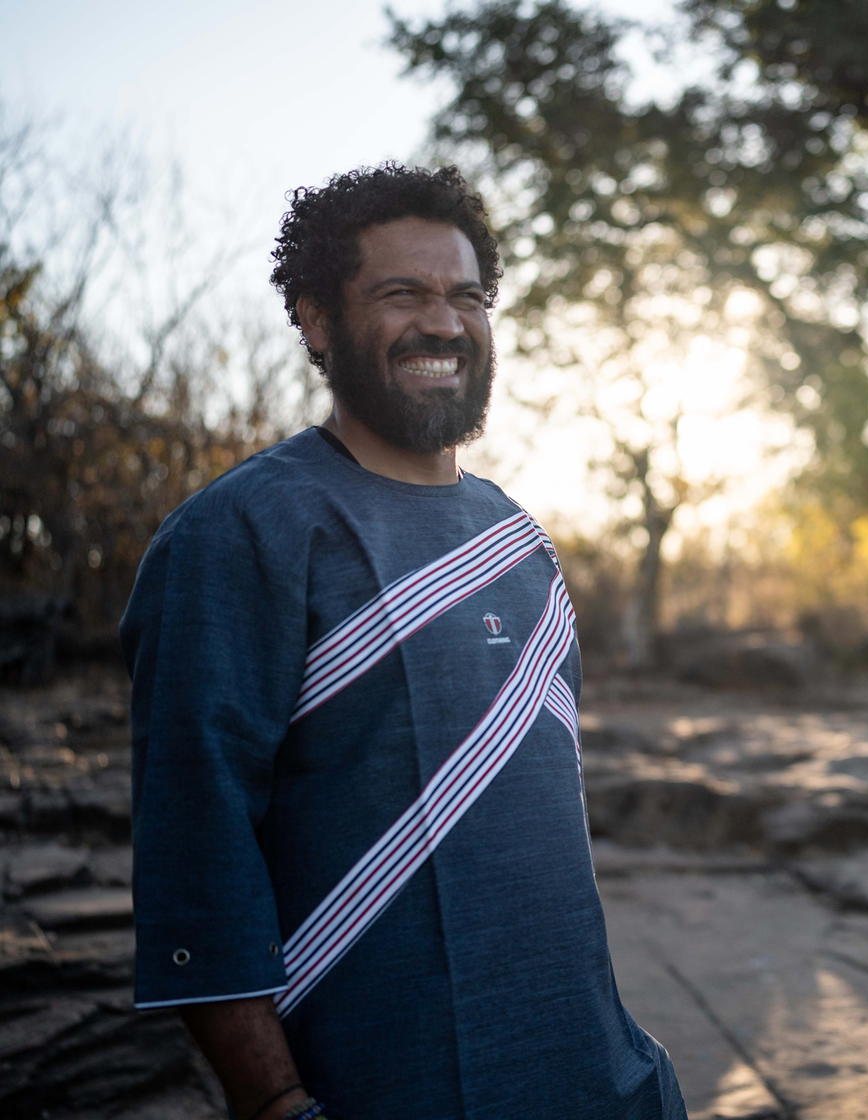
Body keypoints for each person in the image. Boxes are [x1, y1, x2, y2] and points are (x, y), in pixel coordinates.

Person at [122, 164, 686, 1120]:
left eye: (468, 296)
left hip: (598, 1076)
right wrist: (276, 1104)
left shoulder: (521, 540)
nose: (444, 322)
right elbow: (195, 850)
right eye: (402, 293)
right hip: (381, 1081)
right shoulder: (239, 532)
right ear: (315, 318)